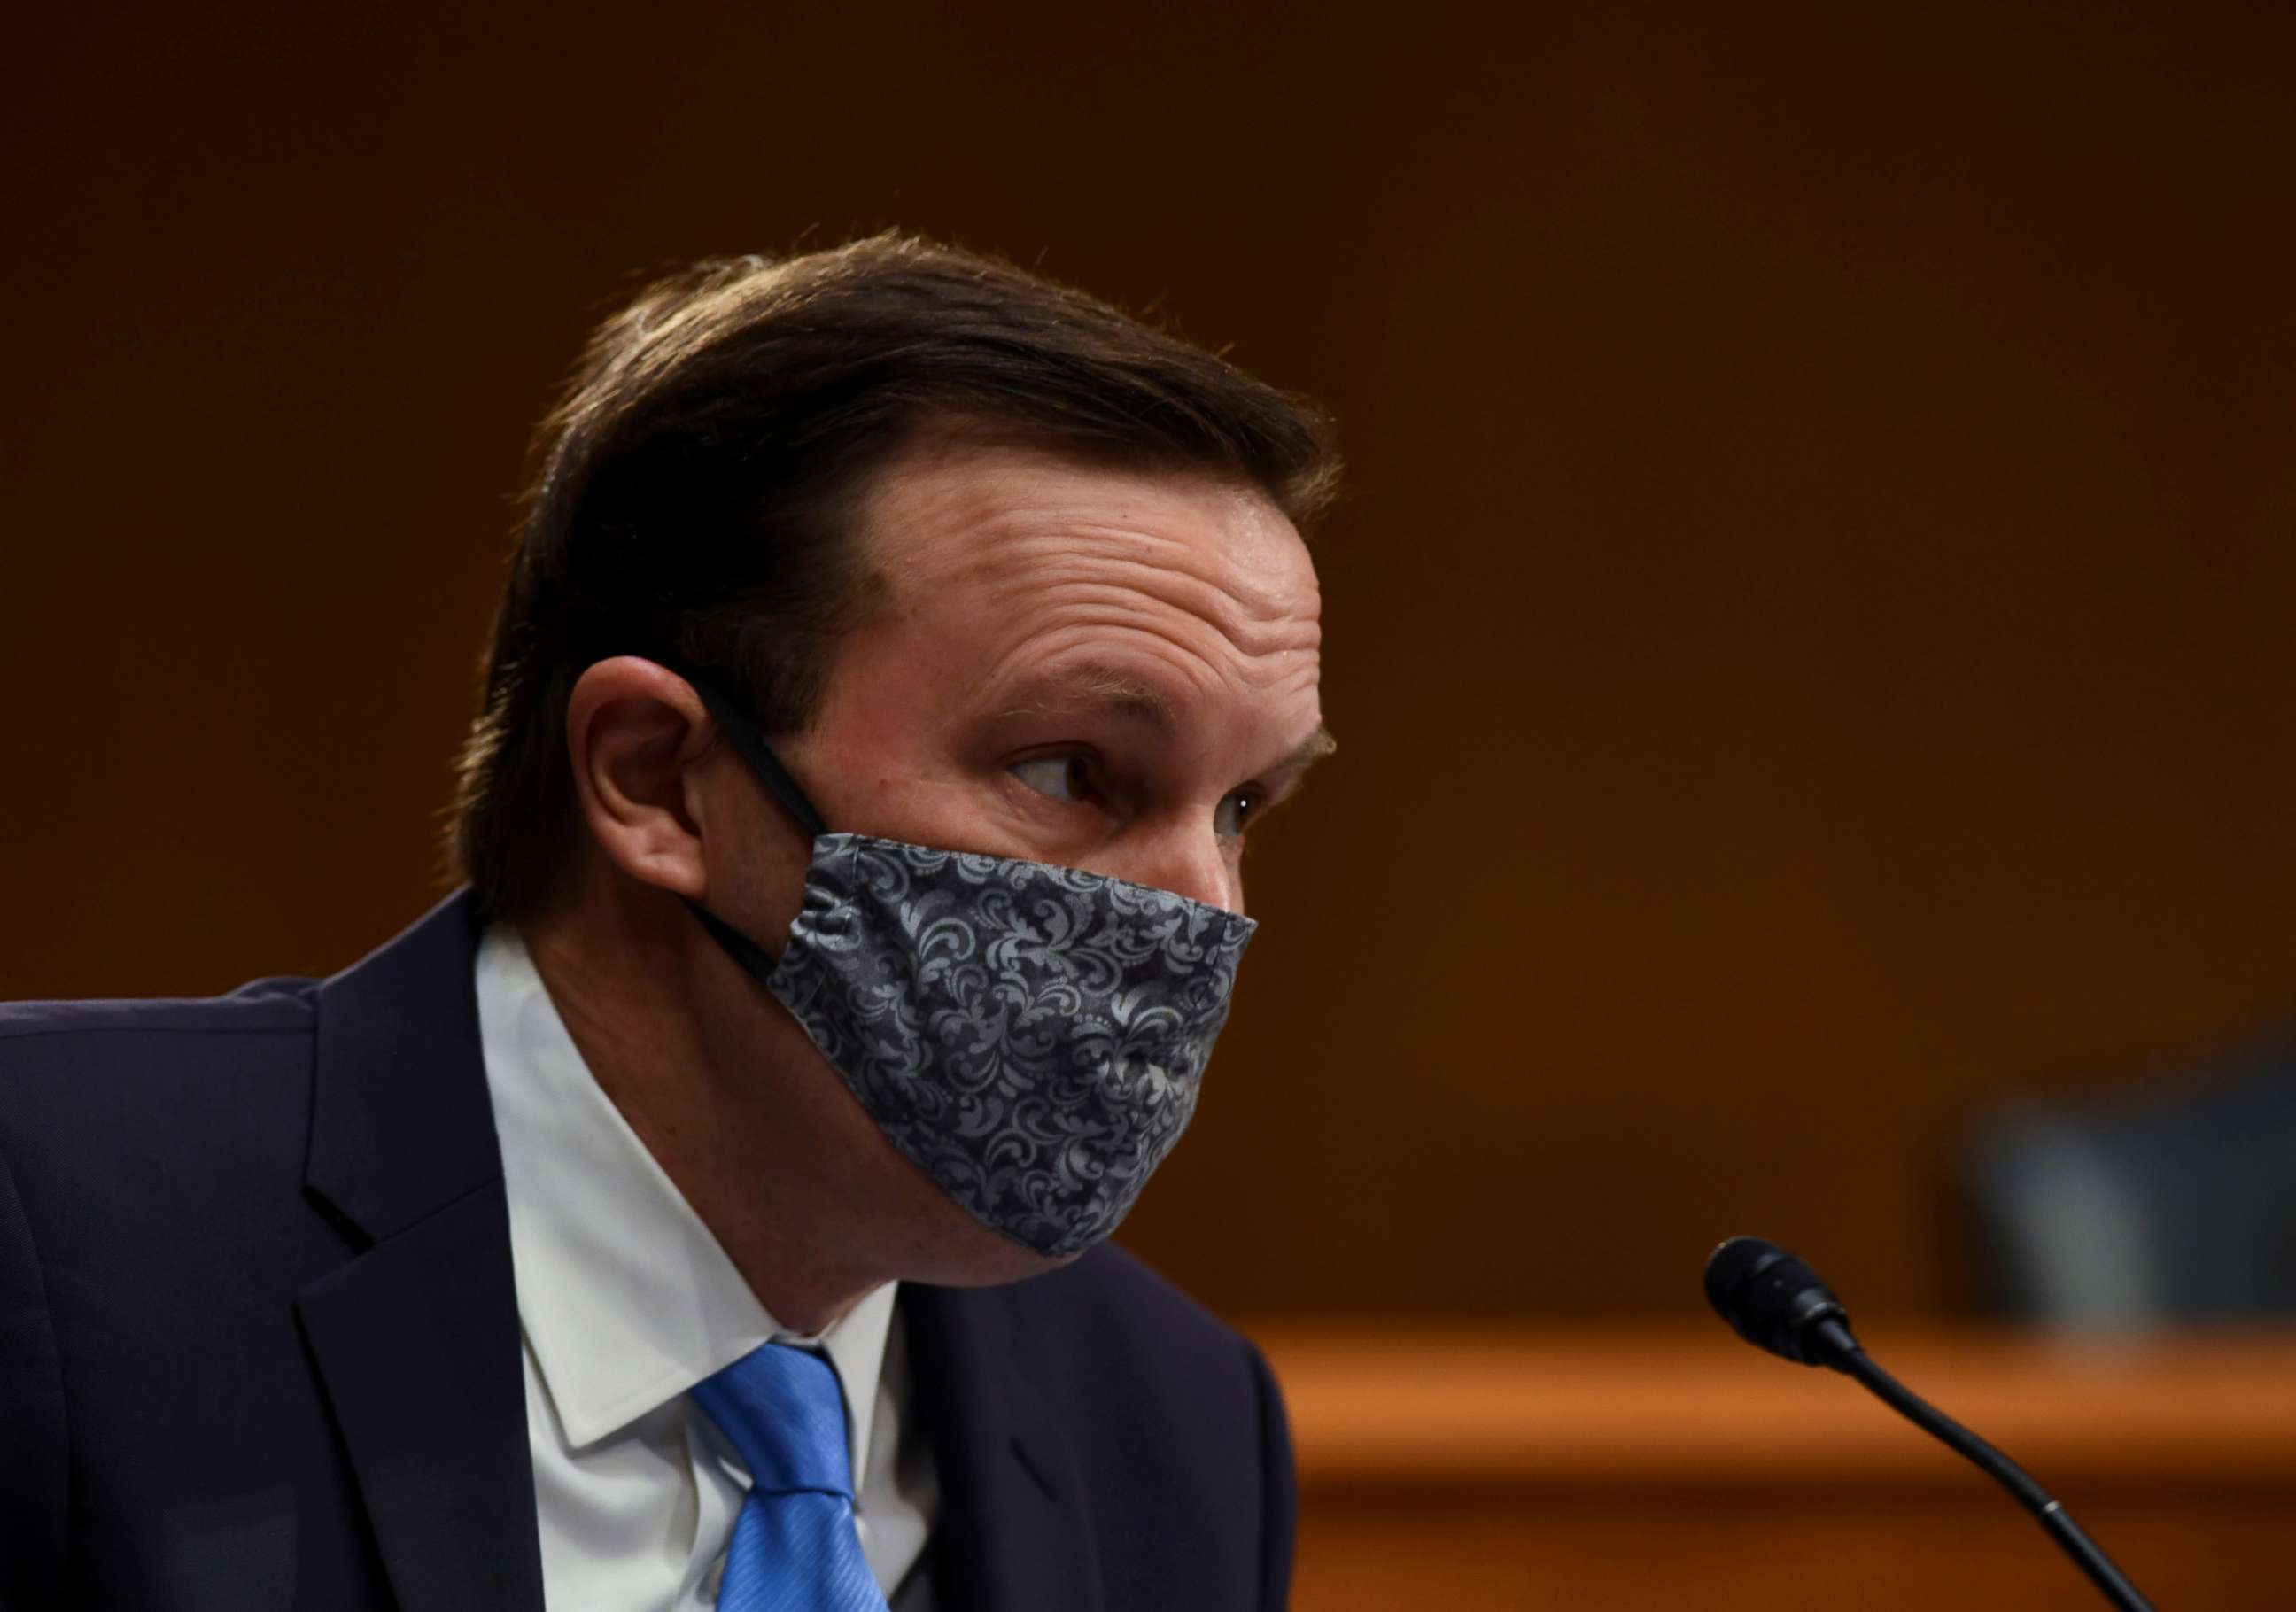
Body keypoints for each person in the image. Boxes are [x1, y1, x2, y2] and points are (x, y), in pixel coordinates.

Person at [0, 235, 1338, 1611]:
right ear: (657, 779)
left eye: (1241, 805)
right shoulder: (52, 1228)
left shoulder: (1177, 1430)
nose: (1203, 908)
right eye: (1071, 772)